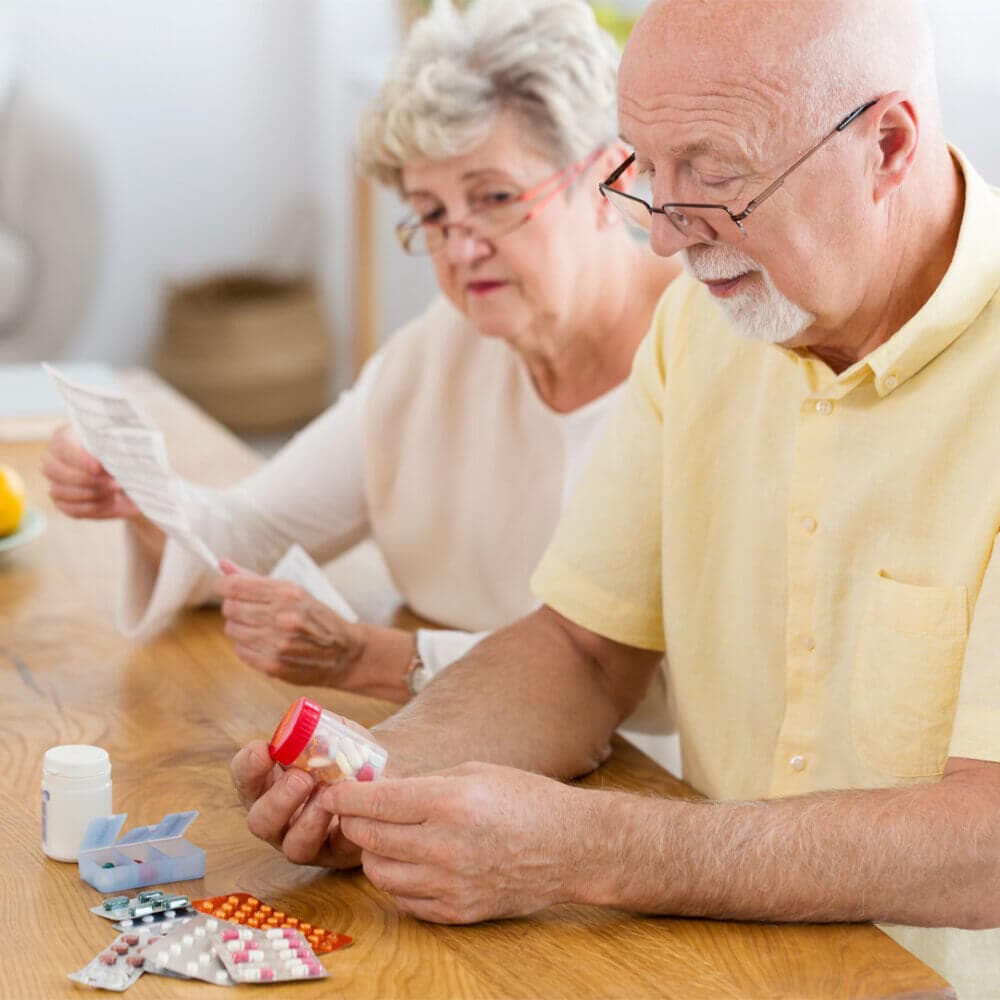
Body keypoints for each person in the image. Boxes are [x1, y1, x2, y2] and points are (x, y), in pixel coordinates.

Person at [230, 0, 1000, 994]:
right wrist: (379, 779)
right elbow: (584, 649)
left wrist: (599, 848)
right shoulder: (702, 322)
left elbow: (986, 838)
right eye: (645, 169)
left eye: (715, 175)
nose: (664, 242)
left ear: (886, 143)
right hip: (705, 964)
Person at [40, 0, 680, 758]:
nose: (461, 247)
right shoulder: (437, 357)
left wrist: (371, 657)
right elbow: (252, 536)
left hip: (643, 789)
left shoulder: (702, 356)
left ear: (609, 178)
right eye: (431, 214)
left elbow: (646, 682)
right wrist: (139, 492)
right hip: (458, 749)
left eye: (494, 198)